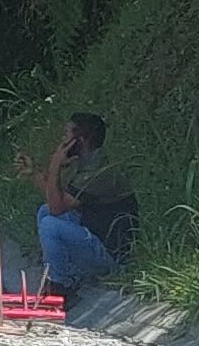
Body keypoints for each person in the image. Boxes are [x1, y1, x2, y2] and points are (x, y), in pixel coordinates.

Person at [28, 112, 139, 289]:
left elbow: (58, 207)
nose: (62, 139)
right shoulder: (88, 162)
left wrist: (55, 163)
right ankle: (62, 271)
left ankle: (60, 287)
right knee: (45, 211)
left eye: (66, 133)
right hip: (95, 233)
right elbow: (57, 199)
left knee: (50, 224)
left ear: (80, 140)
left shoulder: (98, 171)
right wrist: (34, 172)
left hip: (112, 255)